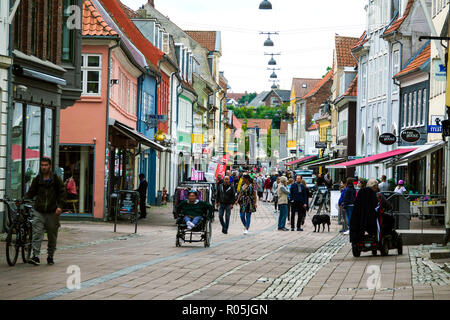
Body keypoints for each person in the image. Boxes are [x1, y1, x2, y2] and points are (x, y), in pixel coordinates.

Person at [24, 158, 66, 266]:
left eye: (46, 165)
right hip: (39, 211)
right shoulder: (37, 179)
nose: (43, 167)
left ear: (50, 166)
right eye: (42, 165)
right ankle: (36, 256)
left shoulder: (56, 179)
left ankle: (50, 255)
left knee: (52, 235)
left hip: (52, 211)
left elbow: (62, 193)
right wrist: (23, 199)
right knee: (37, 233)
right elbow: (31, 192)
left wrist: (60, 206)